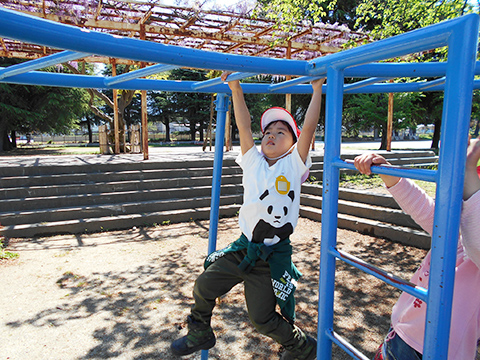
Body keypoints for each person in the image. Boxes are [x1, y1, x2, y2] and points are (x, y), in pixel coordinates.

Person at [170, 73, 325, 360]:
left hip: (270, 258)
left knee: (262, 319)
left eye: (281, 132)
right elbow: (244, 124)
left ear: (294, 143)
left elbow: (310, 127)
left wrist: (317, 91)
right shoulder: (252, 160)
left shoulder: (293, 164)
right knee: (204, 285)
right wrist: (235, 88)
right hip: (244, 248)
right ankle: (200, 331)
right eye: (268, 131)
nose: (271, 135)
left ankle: (302, 345)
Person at [353, 135, 480, 360]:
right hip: (401, 332)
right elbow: (425, 210)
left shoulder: (473, 240)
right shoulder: (457, 230)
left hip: (437, 349)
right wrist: (386, 171)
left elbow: (476, 244)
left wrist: (469, 169)